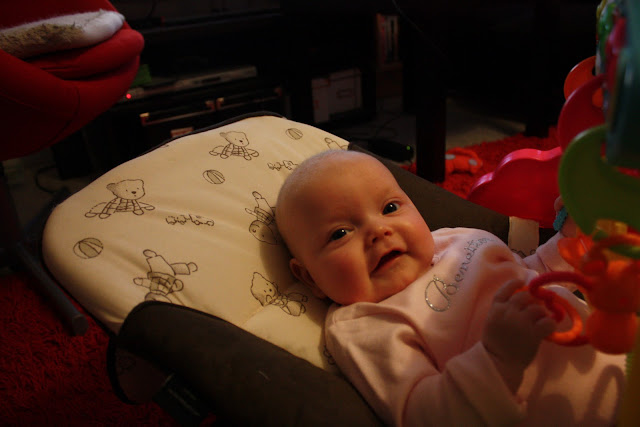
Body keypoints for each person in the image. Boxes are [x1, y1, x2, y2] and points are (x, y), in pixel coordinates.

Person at [275, 149, 626, 426]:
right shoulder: (365, 324)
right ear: (309, 277)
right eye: (340, 233)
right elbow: (425, 415)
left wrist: (570, 240)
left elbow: (532, 274)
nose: (378, 231)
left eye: (390, 207)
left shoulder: (455, 241)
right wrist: (498, 358)